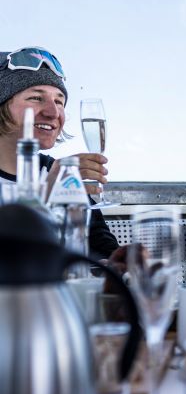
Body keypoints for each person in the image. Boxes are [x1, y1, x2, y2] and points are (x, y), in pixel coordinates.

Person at [0, 47, 117, 261]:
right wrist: (44, 200)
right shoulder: (55, 178)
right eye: (36, 98)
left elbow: (100, 247)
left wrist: (119, 263)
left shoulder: (59, 173)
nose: (53, 113)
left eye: (59, 101)